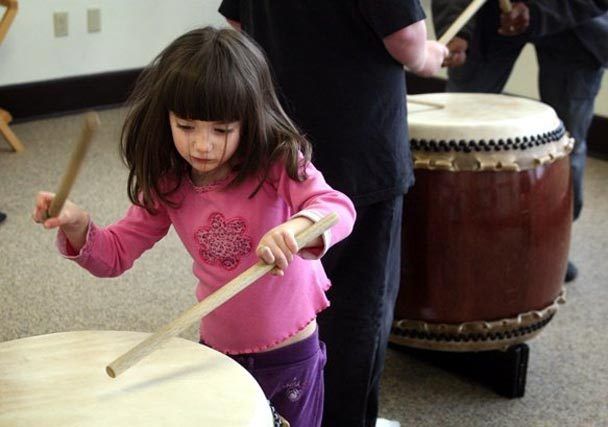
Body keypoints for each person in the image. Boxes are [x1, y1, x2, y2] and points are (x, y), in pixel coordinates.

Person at [32, 27, 356, 427]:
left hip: (289, 351)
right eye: (186, 126)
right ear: (165, 118)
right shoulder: (169, 181)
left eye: (222, 130)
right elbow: (114, 255)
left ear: (249, 120)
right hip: (217, 347)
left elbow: (337, 207)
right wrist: (80, 225)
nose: (202, 145)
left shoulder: (277, 161)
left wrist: (298, 228)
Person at [218, 2, 448, 426]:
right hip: (358, 148)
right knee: (357, 309)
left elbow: (237, 22)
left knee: (287, 295)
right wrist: (426, 57)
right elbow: (406, 38)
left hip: (275, 142)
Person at [433, 0, 608, 282]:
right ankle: (448, 238)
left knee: (566, 141)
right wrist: (457, 29)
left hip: (577, 21)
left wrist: (539, 12)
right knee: (455, 134)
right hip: (486, 14)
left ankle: (554, 244)